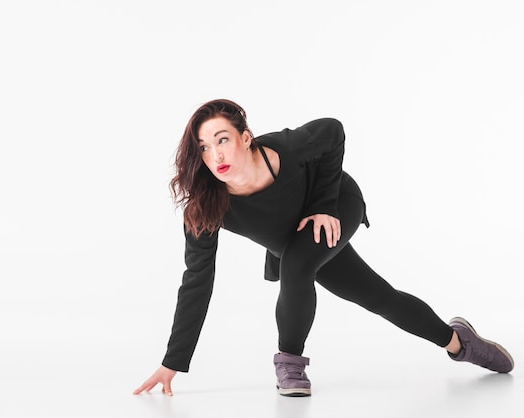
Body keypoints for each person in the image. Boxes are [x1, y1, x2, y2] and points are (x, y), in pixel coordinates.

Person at [133, 99, 514, 397]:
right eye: (203, 148)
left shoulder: (284, 150)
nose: (215, 156)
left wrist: (322, 206)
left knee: (296, 267)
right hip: (294, 242)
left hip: (337, 204)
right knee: (380, 297)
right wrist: (173, 362)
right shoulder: (206, 207)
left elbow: (333, 131)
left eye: (222, 140)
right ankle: (459, 342)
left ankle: (289, 362)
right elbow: (196, 282)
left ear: (245, 138)